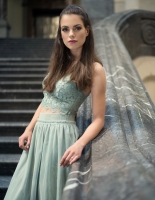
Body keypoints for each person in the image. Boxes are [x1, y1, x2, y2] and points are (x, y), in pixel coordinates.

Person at [4, 5, 106, 200]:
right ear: (60, 33)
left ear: (87, 30)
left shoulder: (95, 69)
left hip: (61, 136)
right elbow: (46, 101)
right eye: (65, 29)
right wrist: (29, 128)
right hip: (39, 135)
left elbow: (99, 119)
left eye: (77, 28)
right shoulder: (60, 63)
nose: (71, 34)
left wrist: (79, 144)